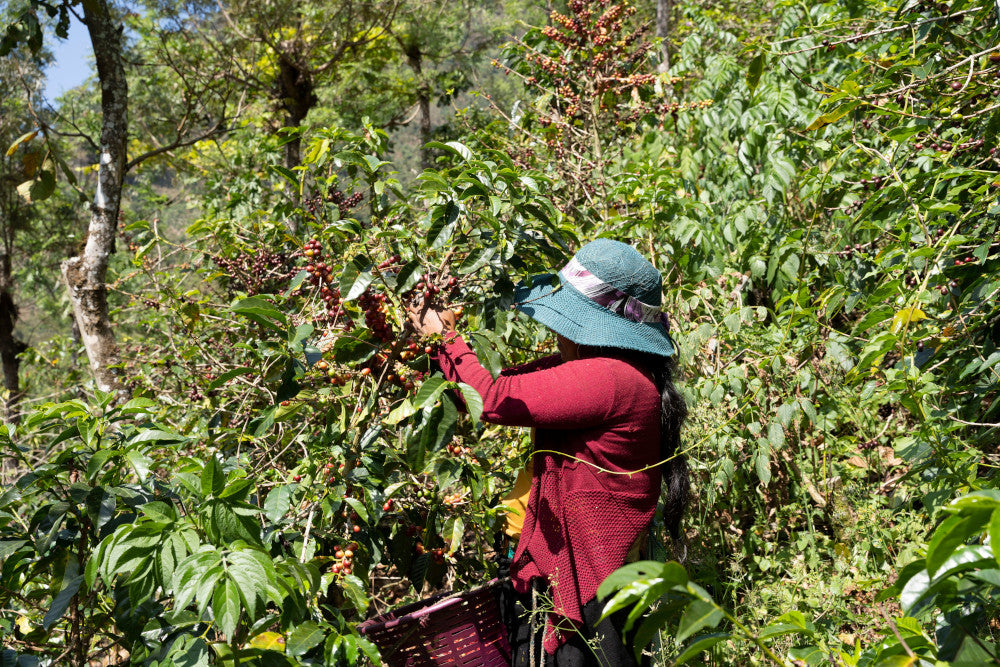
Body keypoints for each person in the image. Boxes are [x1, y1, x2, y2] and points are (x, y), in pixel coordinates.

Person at [407, 238, 688, 667]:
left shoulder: (609, 379)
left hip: (591, 583)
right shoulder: (606, 369)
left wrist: (445, 337)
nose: (556, 331)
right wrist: (439, 349)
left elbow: (494, 398)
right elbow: (495, 385)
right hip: (577, 570)